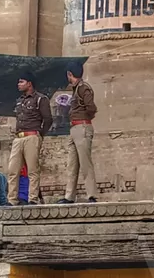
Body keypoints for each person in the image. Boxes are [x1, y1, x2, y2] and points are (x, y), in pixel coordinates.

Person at [7, 72, 52, 205]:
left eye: (21, 82)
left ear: (29, 83)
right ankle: (12, 199)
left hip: (32, 135)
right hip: (18, 137)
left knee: (33, 170)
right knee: (12, 170)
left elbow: (48, 119)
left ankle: (32, 198)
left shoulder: (40, 99)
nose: (19, 84)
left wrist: (40, 134)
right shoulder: (20, 100)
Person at [58, 63, 99, 204]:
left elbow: (91, 108)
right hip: (74, 128)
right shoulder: (76, 90)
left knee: (85, 163)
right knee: (72, 164)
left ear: (70, 74)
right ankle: (69, 196)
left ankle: (91, 194)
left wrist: (86, 118)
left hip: (82, 126)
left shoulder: (83, 88)